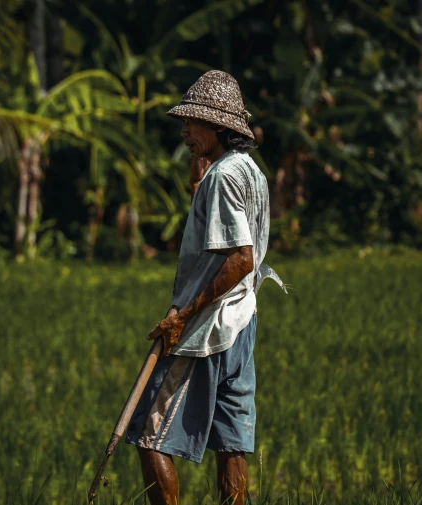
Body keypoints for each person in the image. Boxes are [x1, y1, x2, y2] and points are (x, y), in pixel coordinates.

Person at [124, 70, 270, 505]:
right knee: (232, 443)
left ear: (220, 127)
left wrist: (185, 314)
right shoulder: (248, 171)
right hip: (242, 322)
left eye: (193, 123)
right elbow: (208, 204)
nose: (184, 130)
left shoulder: (223, 177)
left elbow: (241, 257)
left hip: (207, 327)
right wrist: (199, 159)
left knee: (149, 434)